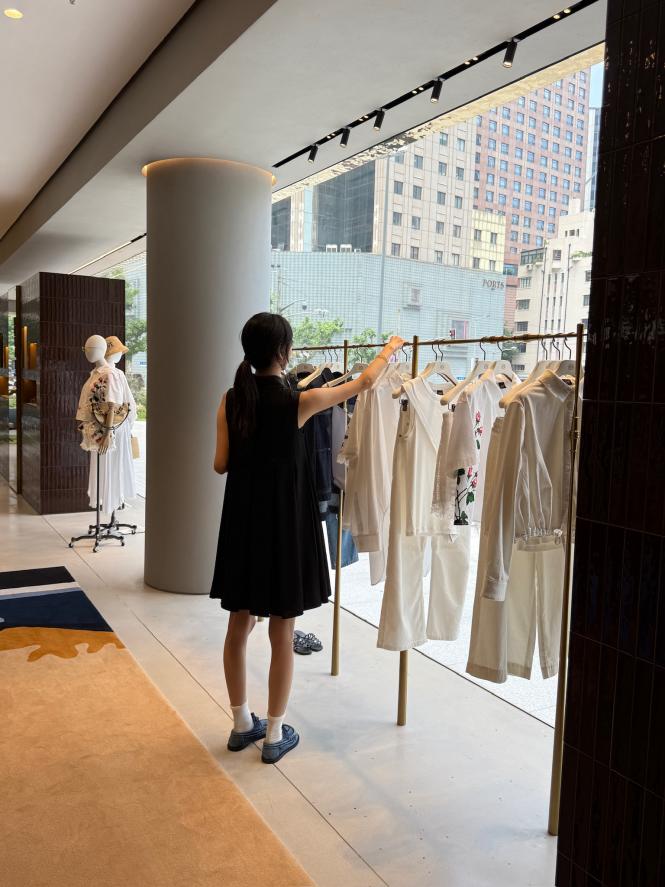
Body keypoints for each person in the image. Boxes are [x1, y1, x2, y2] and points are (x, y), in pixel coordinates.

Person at [212, 312, 404, 763]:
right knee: (282, 630)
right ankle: (274, 734)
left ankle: (241, 724)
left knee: (238, 625)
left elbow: (220, 464)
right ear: (284, 352)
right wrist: (390, 348)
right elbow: (363, 383)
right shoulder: (299, 401)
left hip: (242, 525)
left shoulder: (230, 399)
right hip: (283, 527)